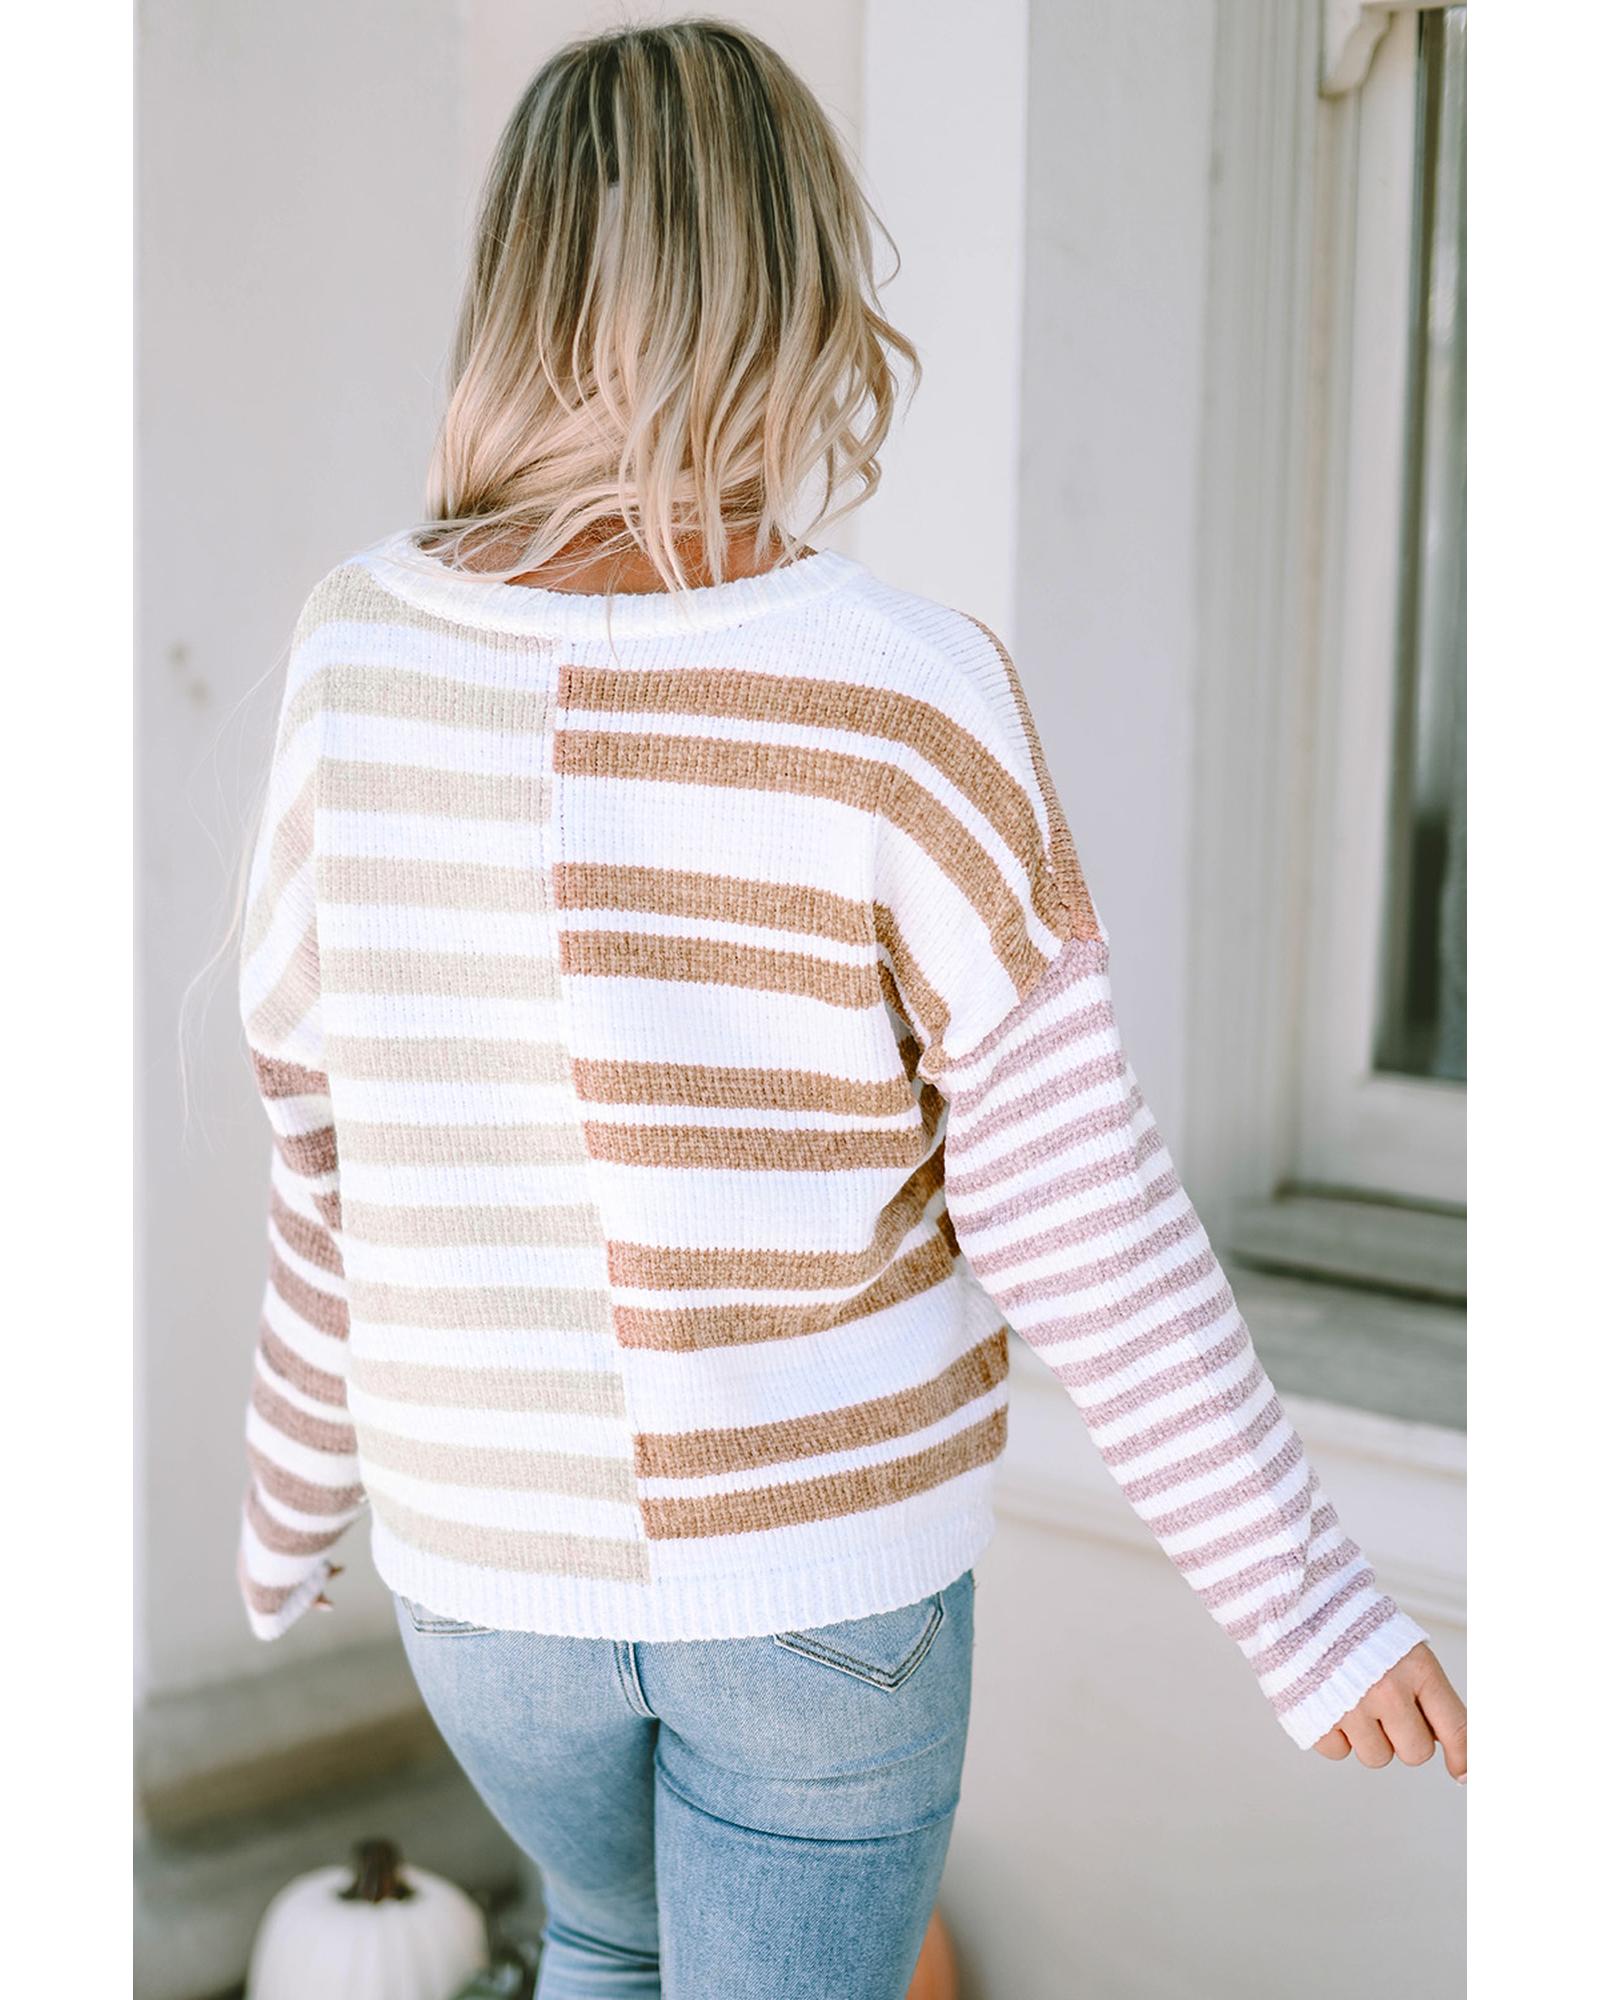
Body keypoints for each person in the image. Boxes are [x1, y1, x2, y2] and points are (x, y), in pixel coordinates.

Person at [231, 19, 1467, 1999]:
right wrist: (1307, 1609)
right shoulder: (904, 684)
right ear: (800, 291)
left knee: (606, 1944)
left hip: (482, 1592)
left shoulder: (354, 654)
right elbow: (1074, 1206)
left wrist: (290, 1502)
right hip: (813, 1602)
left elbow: (322, 1139)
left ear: (516, 284)